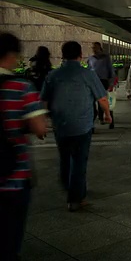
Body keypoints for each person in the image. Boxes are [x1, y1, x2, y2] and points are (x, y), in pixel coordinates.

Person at [41, 41, 111, 211]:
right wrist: (107, 114)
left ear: (63, 55)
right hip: (82, 125)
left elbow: (43, 100)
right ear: (80, 55)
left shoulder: (53, 75)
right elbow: (101, 98)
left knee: (64, 158)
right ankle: (75, 199)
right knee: (79, 161)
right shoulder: (87, 74)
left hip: (60, 125)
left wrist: (42, 120)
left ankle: (69, 187)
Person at [0, 33, 48, 261]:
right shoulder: (21, 86)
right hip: (13, 174)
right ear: (11, 56)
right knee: (11, 228)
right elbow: (40, 128)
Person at [87, 42, 115, 129]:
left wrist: (111, 83)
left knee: (103, 101)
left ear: (100, 48)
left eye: (95, 48)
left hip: (103, 81)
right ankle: (93, 121)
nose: (94, 50)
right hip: (92, 82)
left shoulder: (106, 58)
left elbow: (110, 70)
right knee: (92, 102)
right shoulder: (90, 59)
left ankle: (108, 119)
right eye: (93, 48)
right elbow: (88, 70)